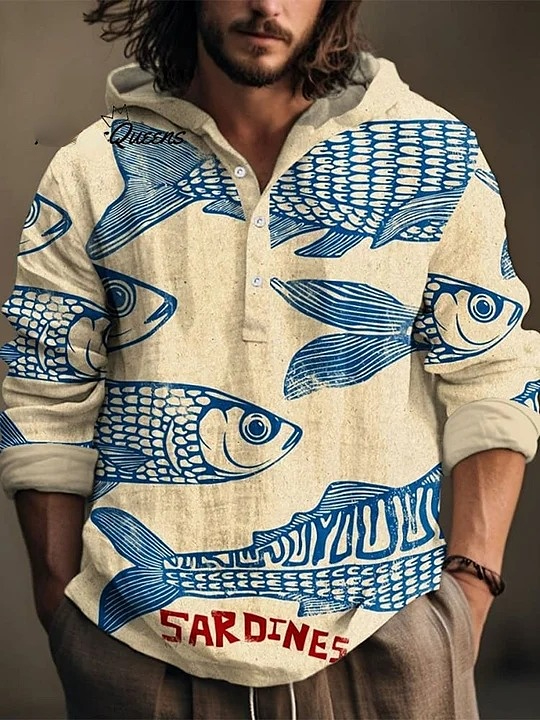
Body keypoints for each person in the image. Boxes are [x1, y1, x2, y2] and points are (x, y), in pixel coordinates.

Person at [2, 0, 540, 718]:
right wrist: (63, 607)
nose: (267, 5)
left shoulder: (435, 150)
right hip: (140, 650)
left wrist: (468, 593)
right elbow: (44, 397)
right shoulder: (90, 169)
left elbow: (492, 375)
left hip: (387, 641)